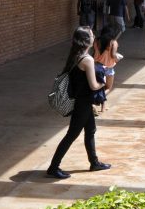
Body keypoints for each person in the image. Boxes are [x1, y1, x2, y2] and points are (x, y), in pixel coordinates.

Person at [47, 26, 110, 179]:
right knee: (71, 135)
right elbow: (94, 85)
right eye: (91, 34)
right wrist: (105, 82)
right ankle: (53, 167)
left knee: (90, 130)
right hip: (83, 102)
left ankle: (94, 162)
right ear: (86, 40)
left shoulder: (76, 55)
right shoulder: (87, 59)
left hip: (82, 101)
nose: (94, 36)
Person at [93, 25, 120, 113]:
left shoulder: (96, 41)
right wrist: (117, 59)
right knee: (108, 87)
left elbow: (95, 53)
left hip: (96, 66)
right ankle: (94, 102)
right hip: (108, 67)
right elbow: (113, 55)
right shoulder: (113, 42)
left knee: (99, 87)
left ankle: (103, 108)